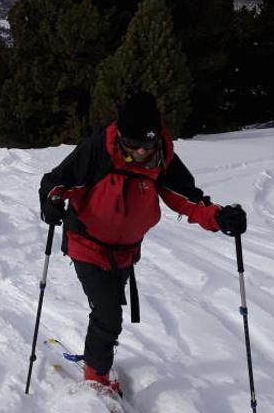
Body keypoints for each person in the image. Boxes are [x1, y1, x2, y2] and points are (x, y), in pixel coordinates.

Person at [38, 91, 247, 395]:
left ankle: (100, 356)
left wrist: (220, 217)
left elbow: (187, 199)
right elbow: (56, 181)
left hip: (125, 253)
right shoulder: (97, 150)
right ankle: (96, 380)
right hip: (86, 243)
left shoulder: (162, 157)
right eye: (131, 145)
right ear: (121, 135)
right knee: (108, 314)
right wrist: (51, 201)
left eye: (145, 146)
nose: (138, 153)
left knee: (106, 315)